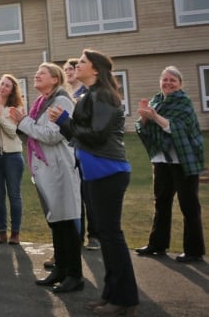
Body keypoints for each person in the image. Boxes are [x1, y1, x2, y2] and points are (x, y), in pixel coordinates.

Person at [49, 49, 139, 315]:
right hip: (93, 173)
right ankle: (111, 293)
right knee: (106, 235)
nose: (78, 65)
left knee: (111, 236)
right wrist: (65, 123)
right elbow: (81, 136)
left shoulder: (104, 96)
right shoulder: (90, 95)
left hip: (108, 172)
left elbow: (96, 136)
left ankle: (125, 300)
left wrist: (65, 121)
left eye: (84, 62)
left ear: (96, 70)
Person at [10, 64, 83, 293]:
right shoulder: (41, 103)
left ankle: (74, 275)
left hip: (60, 168)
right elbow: (35, 135)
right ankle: (60, 269)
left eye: (42, 73)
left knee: (66, 221)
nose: (36, 75)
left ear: (54, 79)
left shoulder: (61, 101)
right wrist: (22, 125)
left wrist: (23, 122)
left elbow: (52, 135)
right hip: (47, 169)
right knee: (56, 222)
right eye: (36, 73)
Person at [135, 66, 205, 263]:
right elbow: (143, 129)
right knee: (161, 203)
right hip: (162, 160)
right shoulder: (156, 101)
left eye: (172, 80)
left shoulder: (184, 103)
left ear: (180, 84)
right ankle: (157, 244)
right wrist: (144, 117)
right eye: (165, 80)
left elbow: (178, 128)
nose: (168, 83)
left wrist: (154, 116)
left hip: (184, 160)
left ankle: (194, 251)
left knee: (189, 205)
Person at [64, 58, 99, 253]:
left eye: (72, 68)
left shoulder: (86, 94)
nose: (69, 72)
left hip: (85, 149)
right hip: (69, 150)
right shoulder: (66, 94)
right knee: (75, 196)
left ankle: (94, 236)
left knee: (88, 195)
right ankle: (77, 235)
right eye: (66, 69)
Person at [0, 74, 25, 246]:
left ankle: (15, 233)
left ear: (12, 90)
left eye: (7, 85)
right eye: (2, 84)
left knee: (14, 194)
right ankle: (2, 232)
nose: (3, 87)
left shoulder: (15, 109)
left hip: (12, 156)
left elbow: (13, 131)